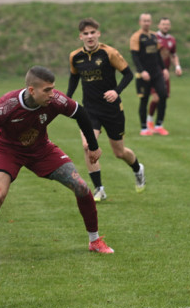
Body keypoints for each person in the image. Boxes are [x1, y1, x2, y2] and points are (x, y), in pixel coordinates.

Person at [0, 66, 115, 262]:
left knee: (81, 186)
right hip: (7, 150)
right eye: (47, 90)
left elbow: (80, 113)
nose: (52, 94)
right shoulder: (5, 106)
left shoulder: (56, 100)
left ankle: (95, 241)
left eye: (53, 88)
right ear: (32, 90)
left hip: (40, 150)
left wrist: (93, 145)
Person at [66, 18, 146, 201]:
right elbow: (74, 78)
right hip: (90, 110)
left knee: (119, 152)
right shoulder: (75, 57)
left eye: (92, 32)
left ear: (98, 33)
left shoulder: (109, 53)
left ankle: (137, 168)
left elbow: (128, 74)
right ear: (80, 37)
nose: (90, 36)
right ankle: (99, 188)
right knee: (87, 146)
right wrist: (67, 98)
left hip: (112, 110)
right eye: (86, 33)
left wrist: (116, 92)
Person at [129, 13, 168, 136]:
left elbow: (157, 55)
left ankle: (158, 125)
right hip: (144, 75)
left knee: (163, 95)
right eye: (144, 21)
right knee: (144, 100)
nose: (146, 23)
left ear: (151, 22)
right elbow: (134, 57)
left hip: (156, 73)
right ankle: (144, 128)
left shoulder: (154, 36)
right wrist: (142, 71)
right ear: (140, 22)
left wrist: (164, 68)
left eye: (148, 21)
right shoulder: (136, 37)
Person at [148, 17, 183, 135]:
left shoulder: (172, 40)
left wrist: (177, 67)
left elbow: (173, 55)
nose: (165, 26)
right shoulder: (153, 38)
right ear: (158, 25)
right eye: (163, 24)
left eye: (167, 24)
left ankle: (159, 125)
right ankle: (149, 121)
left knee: (163, 98)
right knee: (156, 98)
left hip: (165, 74)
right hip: (154, 73)